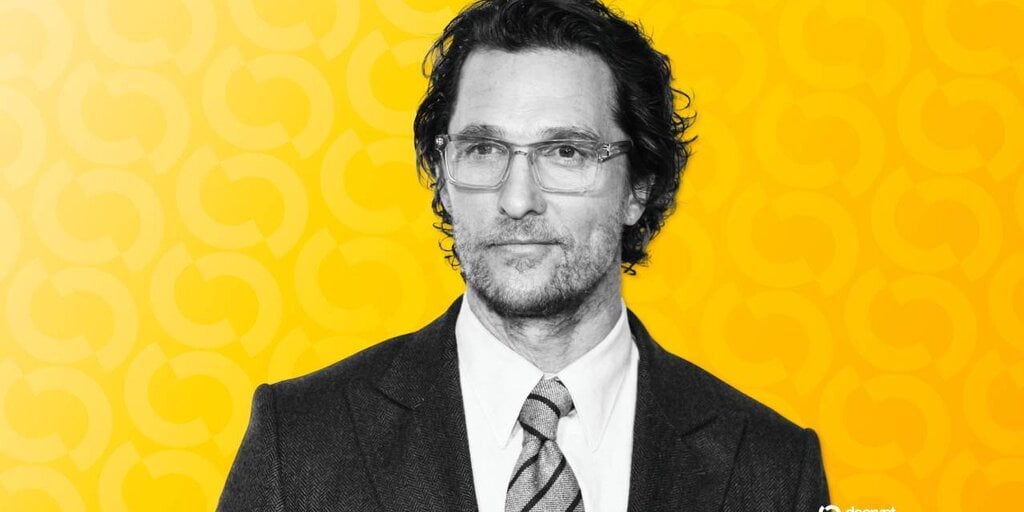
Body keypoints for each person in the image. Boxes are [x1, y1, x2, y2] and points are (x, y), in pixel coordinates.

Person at [217, 0, 830, 510]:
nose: (516, 200)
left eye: (565, 152)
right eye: (484, 150)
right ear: (443, 175)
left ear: (639, 188)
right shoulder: (299, 443)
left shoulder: (772, 469)